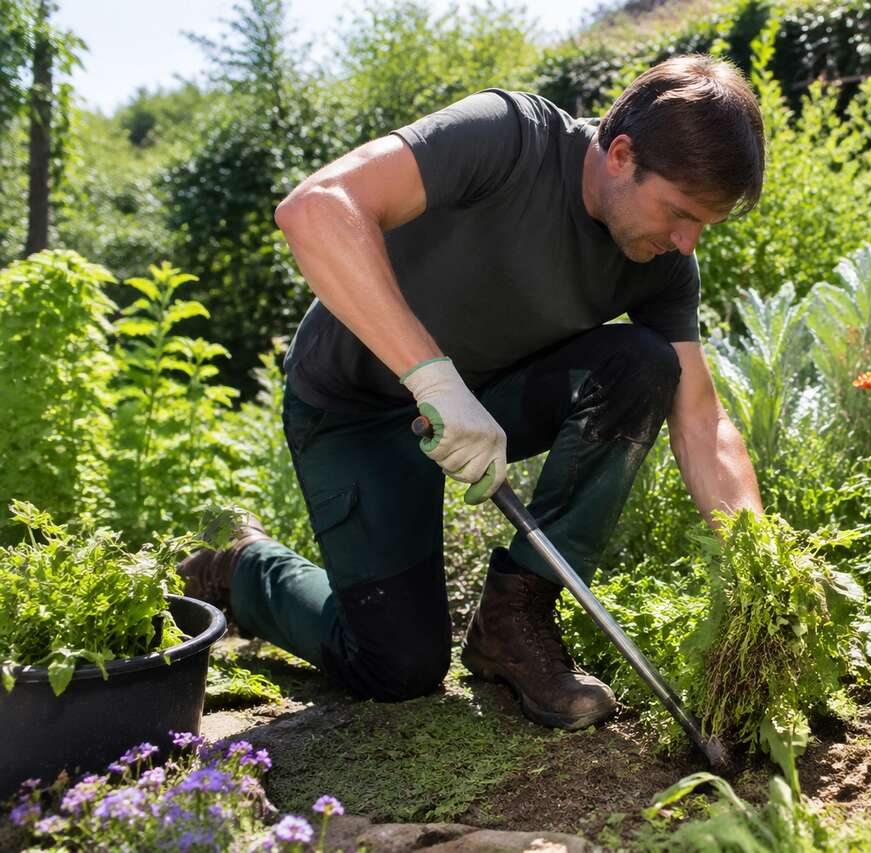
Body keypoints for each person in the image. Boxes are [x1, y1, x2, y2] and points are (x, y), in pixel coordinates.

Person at [179, 55, 766, 731]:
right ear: (622, 154)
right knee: (399, 668)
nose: (687, 241)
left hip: (486, 397)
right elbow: (314, 210)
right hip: (355, 406)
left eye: (703, 226)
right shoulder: (509, 138)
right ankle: (244, 568)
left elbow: (701, 420)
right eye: (680, 212)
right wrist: (432, 380)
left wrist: (757, 555)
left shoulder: (661, 264)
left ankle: (513, 621)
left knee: (644, 364)